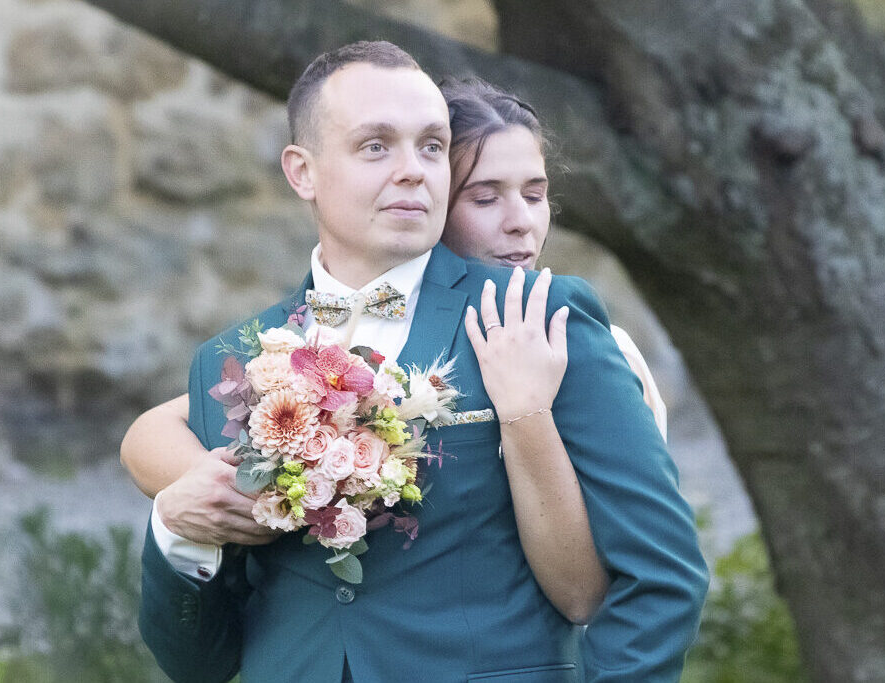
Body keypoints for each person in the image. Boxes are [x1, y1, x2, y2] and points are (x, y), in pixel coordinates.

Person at [135, 41, 707, 683]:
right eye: (376, 146)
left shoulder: (535, 317)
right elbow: (199, 663)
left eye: (432, 146)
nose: (413, 170)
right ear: (303, 172)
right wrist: (175, 533)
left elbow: (661, 577)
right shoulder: (230, 362)